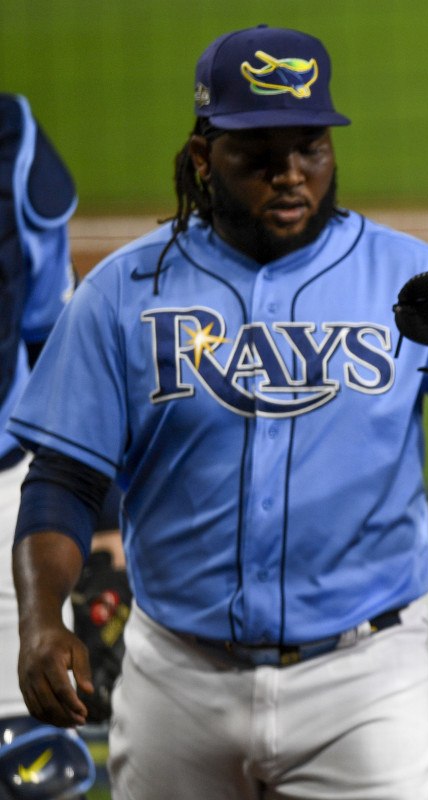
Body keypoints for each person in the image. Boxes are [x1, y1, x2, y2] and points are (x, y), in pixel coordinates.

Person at [8, 25, 428, 800]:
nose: (291, 175)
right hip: (176, 678)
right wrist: (42, 620)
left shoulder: (413, 283)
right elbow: (62, 482)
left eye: (310, 147)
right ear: (205, 158)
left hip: (364, 685)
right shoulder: (123, 291)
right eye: (259, 155)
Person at [0, 91, 97, 799]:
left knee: (31, 771)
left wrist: (107, 511)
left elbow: (52, 340)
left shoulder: (13, 140)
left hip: (3, 494)